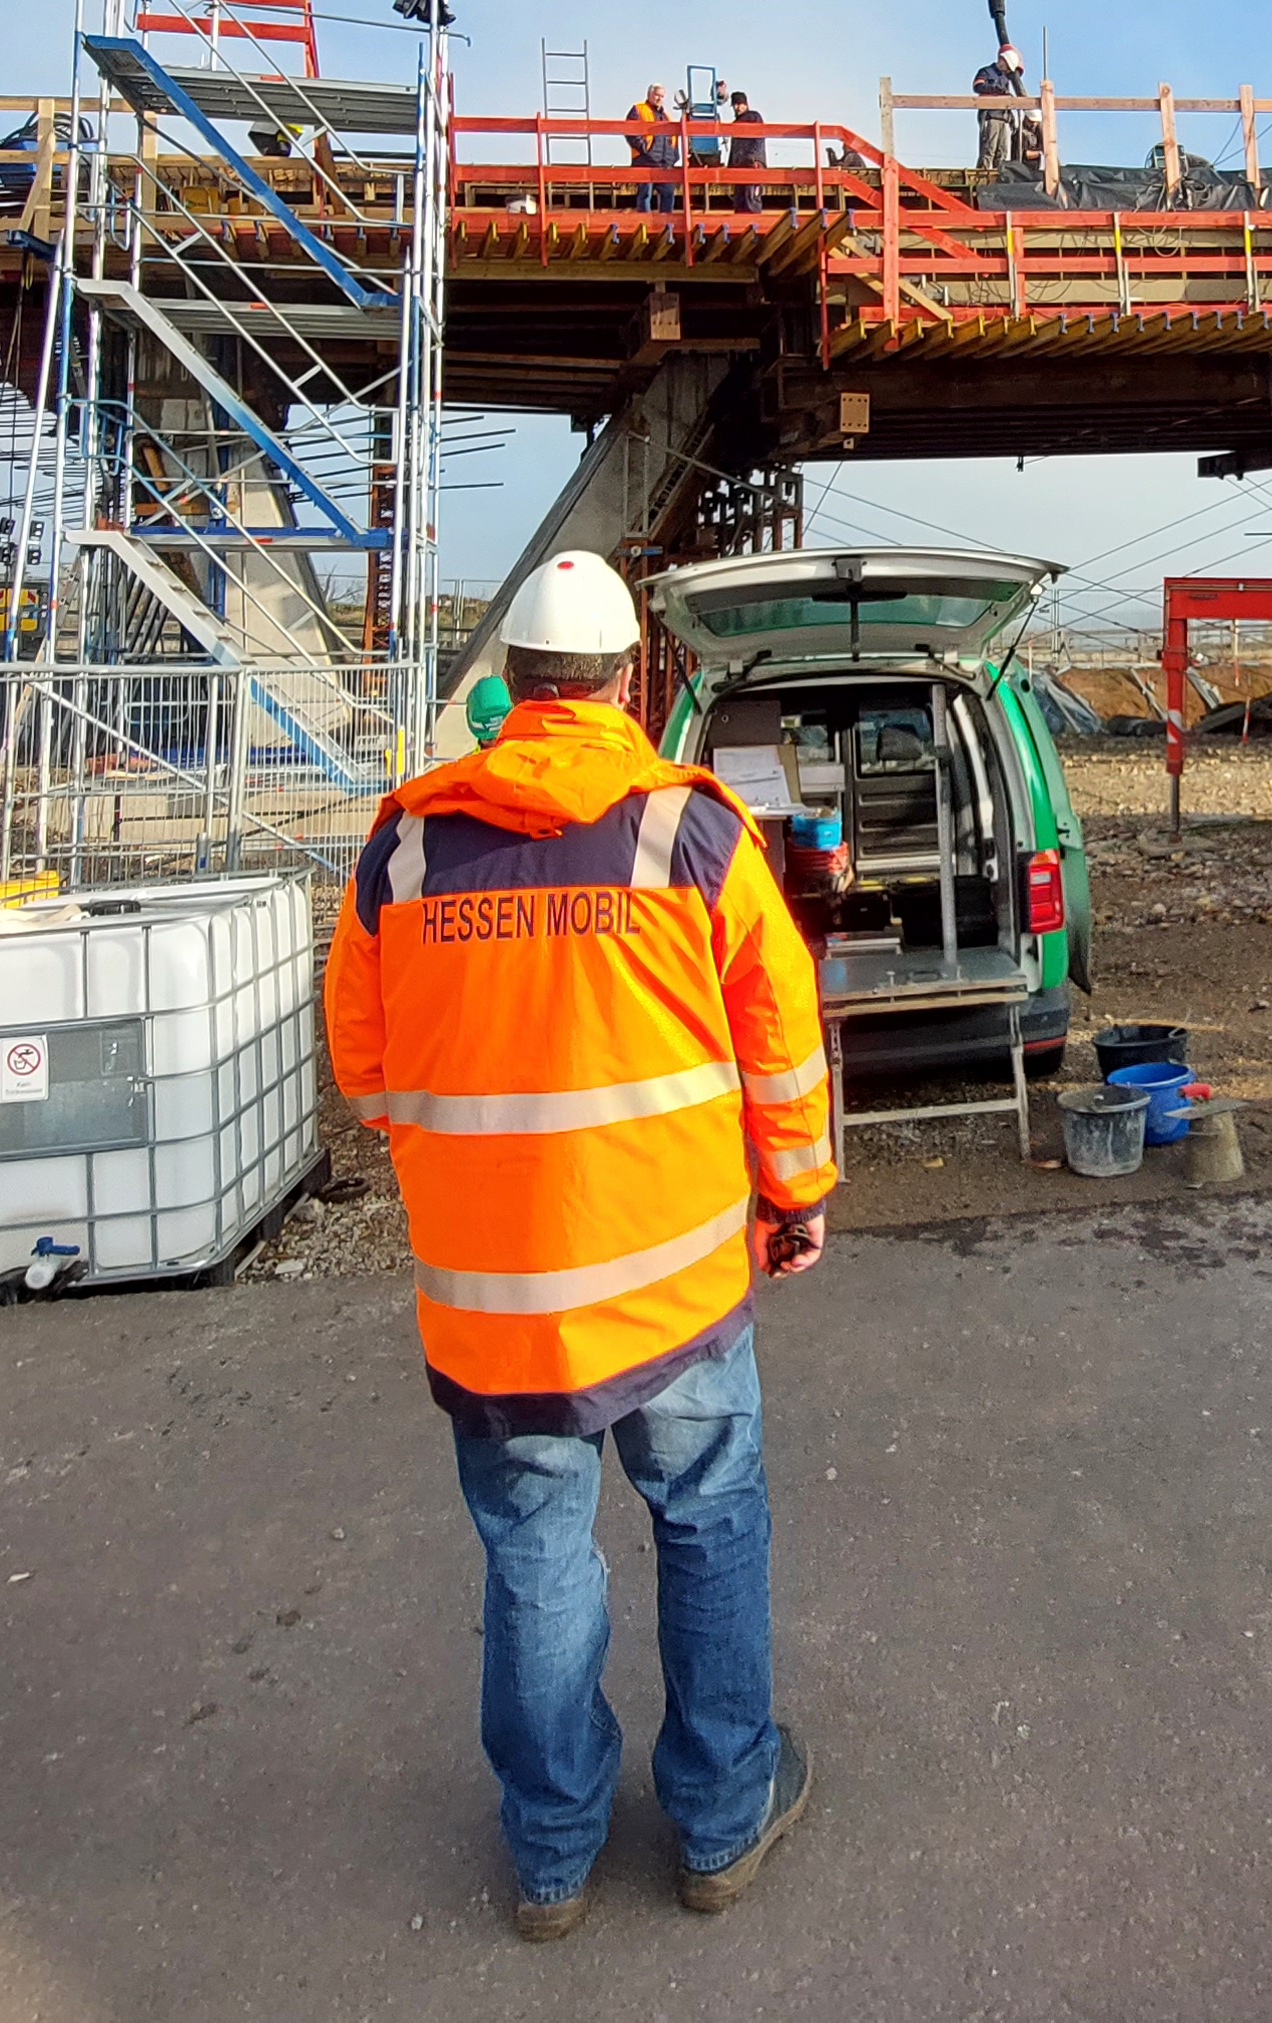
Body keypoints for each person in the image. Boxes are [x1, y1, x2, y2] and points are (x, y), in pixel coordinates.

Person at [325, 551, 835, 1938]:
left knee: (537, 1553)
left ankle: (551, 1856)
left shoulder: (408, 846)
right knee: (710, 1523)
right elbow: (782, 1047)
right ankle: (723, 1823)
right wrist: (794, 1201)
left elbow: (366, 1079)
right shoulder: (697, 835)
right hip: (670, 1291)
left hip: (493, 1303)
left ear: (514, 689)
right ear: (626, 680)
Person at [972, 43, 1029, 178]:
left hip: (1003, 117)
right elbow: (978, 86)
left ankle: (999, 177)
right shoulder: (986, 72)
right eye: (1007, 66)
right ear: (1002, 60)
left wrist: (1011, 119)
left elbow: (1006, 97)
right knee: (989, 148)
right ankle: (981, 176)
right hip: (990, 115)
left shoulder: (1005, 78)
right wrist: (996, 89)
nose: (1007, 70)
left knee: (1003, 150)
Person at [624, 83, 674, 213]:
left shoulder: (667, 116)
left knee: (668, 194)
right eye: (657, 95)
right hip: (644, 162)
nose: (659, 99)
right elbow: (630, 131)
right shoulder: (638, 109)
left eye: (662, 96)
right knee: (645, 195)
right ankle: (644, 225)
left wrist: (673, 157)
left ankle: (665, 226)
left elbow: (673, 139)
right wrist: (644, 149)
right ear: (649, 95)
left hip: (664, 165)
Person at [724, 88, 768, 213]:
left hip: (752, 164)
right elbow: (734, 148)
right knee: (739, 200)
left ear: (746, 104)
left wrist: (754, 158)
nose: (737, 107)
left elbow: (759, 138)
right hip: (740, 165)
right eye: (735, 105)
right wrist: (731, 167)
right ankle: (741, 230)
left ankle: (754, 228)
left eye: (740, 104)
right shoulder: (736, 123)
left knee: (751, 199)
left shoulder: (754, 117)